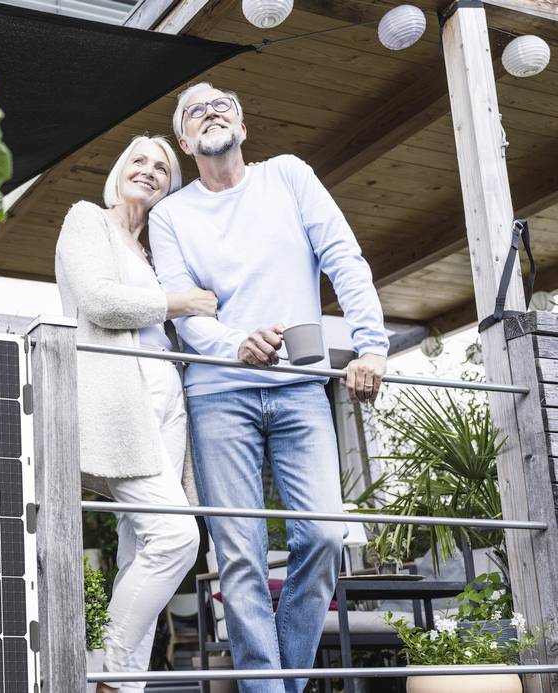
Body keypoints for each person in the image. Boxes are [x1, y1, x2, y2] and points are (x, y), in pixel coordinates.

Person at [148, 83, 390, 693]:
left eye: (222, 105)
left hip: (300, 388)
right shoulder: (170, 215)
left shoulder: (289, 176)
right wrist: (236, 344)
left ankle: (280, 683)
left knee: (325, 533)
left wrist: (372, 346)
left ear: (243, 126)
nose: (210, 111)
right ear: (185, 142)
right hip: (217, 394)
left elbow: (344, 258)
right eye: (195, 111)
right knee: (240, 555)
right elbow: (184, 310)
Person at [55, 135, 216, 692]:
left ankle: (124, 687)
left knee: (140, 552)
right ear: (120, 170)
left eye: (162, 168)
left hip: (167, 409)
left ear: (170, 186)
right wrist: (181, 301)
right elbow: (99, 300)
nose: (149, 170)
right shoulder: (87, 220)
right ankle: (109, 680)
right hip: (122, 407)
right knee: (177, 539)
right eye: (139, 161)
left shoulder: (154, 251)